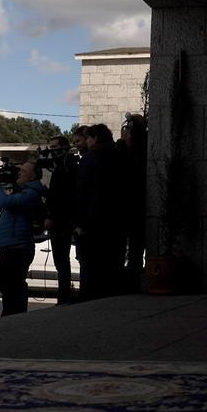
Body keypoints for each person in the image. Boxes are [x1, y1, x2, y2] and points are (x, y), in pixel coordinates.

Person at [75, 124, 125, 300]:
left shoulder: (90, 159)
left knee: (91, 263)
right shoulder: (120, 156)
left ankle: (90, 295)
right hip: (117, 220)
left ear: (95, 138)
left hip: (93, 221)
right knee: (112, 263)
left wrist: (80, 222)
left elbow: (82, 192)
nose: (86, 142)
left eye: (88, 138)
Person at [0, 159, 46, 315]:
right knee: (6, 284)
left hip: (18, 247)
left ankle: (14, 315)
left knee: (13, 285)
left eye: (23, 171)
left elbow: (5, 203)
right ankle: (11, 313)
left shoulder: (31, 193)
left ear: (33, 176)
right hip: (11, 245)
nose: (19, 173)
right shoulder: (23, 192)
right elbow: (4, 207)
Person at [115, 113, 148, 289]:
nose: (126, 134)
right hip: (134, 205)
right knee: (134, 247)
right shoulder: (141, 151)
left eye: (128, 131)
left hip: (132, 206)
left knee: (133, 247)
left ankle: (130, 280)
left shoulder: (130, 153)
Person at [44, 135, 78, 304]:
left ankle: (63, 296)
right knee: (62, 261)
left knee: (62, 260)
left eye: (55, 147)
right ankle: (64, 294)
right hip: (63, 221)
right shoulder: (63, 167)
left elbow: (61, 197)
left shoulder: (65, 168)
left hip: (61, 222)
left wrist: (51, 216)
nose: (52, 151)